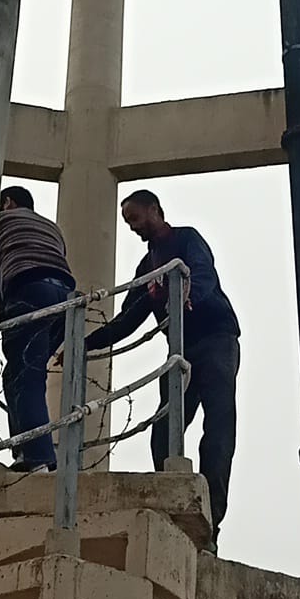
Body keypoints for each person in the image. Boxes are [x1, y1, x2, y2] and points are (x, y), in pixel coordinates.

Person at [85, 189, 240, 550]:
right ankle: (174, 505)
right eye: (128, 223)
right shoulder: (145, 268)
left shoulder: (187, 239)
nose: (133, 228)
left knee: (218, 430)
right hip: (179, 351)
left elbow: (204, 274)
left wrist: (187, 296)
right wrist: (83, 343)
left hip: (216, 339)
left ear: (154, 210)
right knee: (163, 428)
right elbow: (127, 320)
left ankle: (212, 522)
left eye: (136, 219)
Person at [0, 185, 76, 473]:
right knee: (20, 374)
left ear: (7, 202)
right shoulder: (51, 227)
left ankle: (36, 457)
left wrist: (1, 315)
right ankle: (31, 451)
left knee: (25, 377)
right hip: (65, 300)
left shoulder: (0, 222)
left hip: (28, 291)